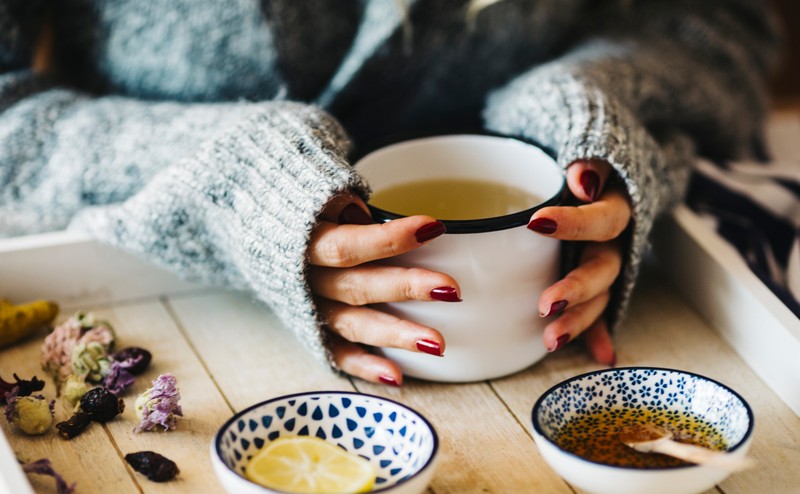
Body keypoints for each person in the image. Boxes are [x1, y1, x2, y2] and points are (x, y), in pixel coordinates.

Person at [0, 0, 780, 386]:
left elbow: (721, 25)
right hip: (168, 312)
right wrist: (233, 175)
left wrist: (595, 99)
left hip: (610, 335)